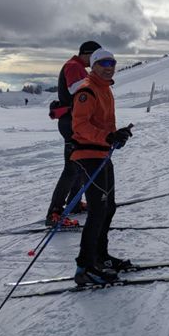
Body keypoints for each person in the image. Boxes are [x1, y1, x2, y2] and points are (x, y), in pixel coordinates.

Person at [70, 48, 134, 285]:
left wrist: (117, 135)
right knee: (97, 210)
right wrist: (106, 137)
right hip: (88, 155)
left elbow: (103, 126)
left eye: (113, 63)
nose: (109, 67)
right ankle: (84, 266)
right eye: (104, 63)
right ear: (93, 65)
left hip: (102, 155)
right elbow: (80, 126)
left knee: (108, 208)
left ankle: (100, 256)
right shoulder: (87, 90)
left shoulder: (105, 89)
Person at [44, 40, 102, 227]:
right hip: (71, 123)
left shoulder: (77, 66)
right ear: (87, 54)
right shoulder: (73, 66)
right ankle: (54, 213)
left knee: (79, 164)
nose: (95, 62)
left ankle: (74, 203)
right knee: (71, 169)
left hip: (74, 122)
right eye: (94, 58)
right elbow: (74, 88)